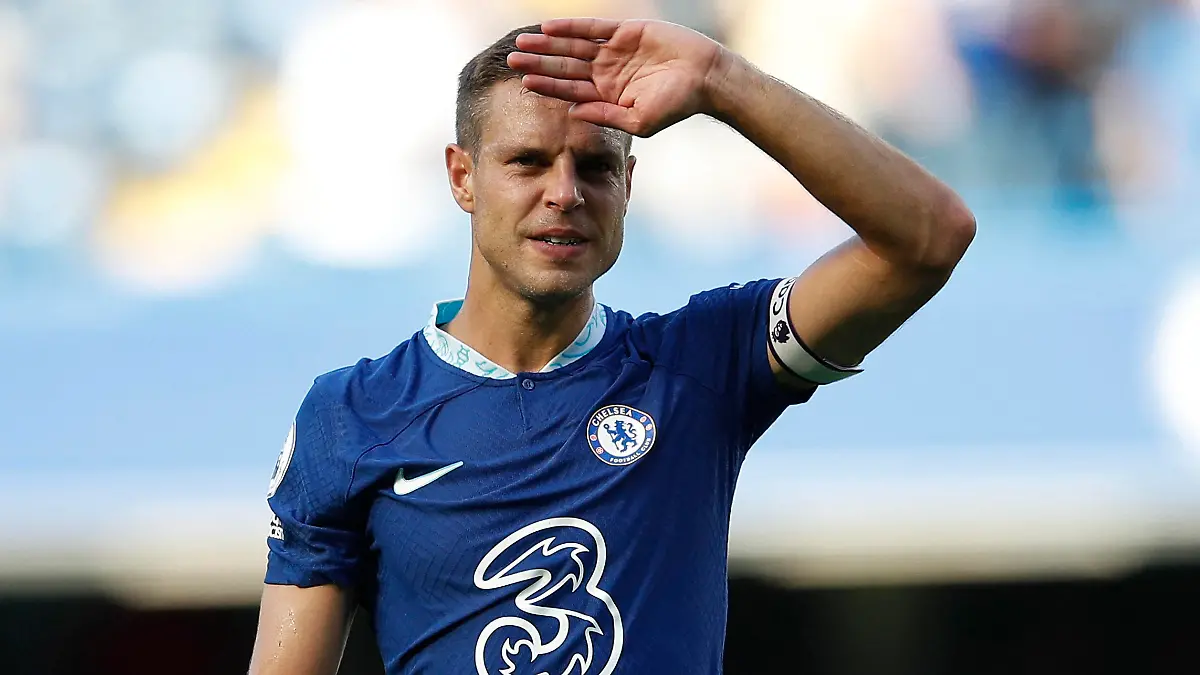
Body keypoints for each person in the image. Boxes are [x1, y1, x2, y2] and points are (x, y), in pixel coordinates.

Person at [248, 17, 975, 675]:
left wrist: (723, 81)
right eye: (528, 161)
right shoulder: (351, 414)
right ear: (462, 177)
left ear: (628, 184)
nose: (565, 193)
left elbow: (927, 238)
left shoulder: (698, 364)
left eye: (594, 166)